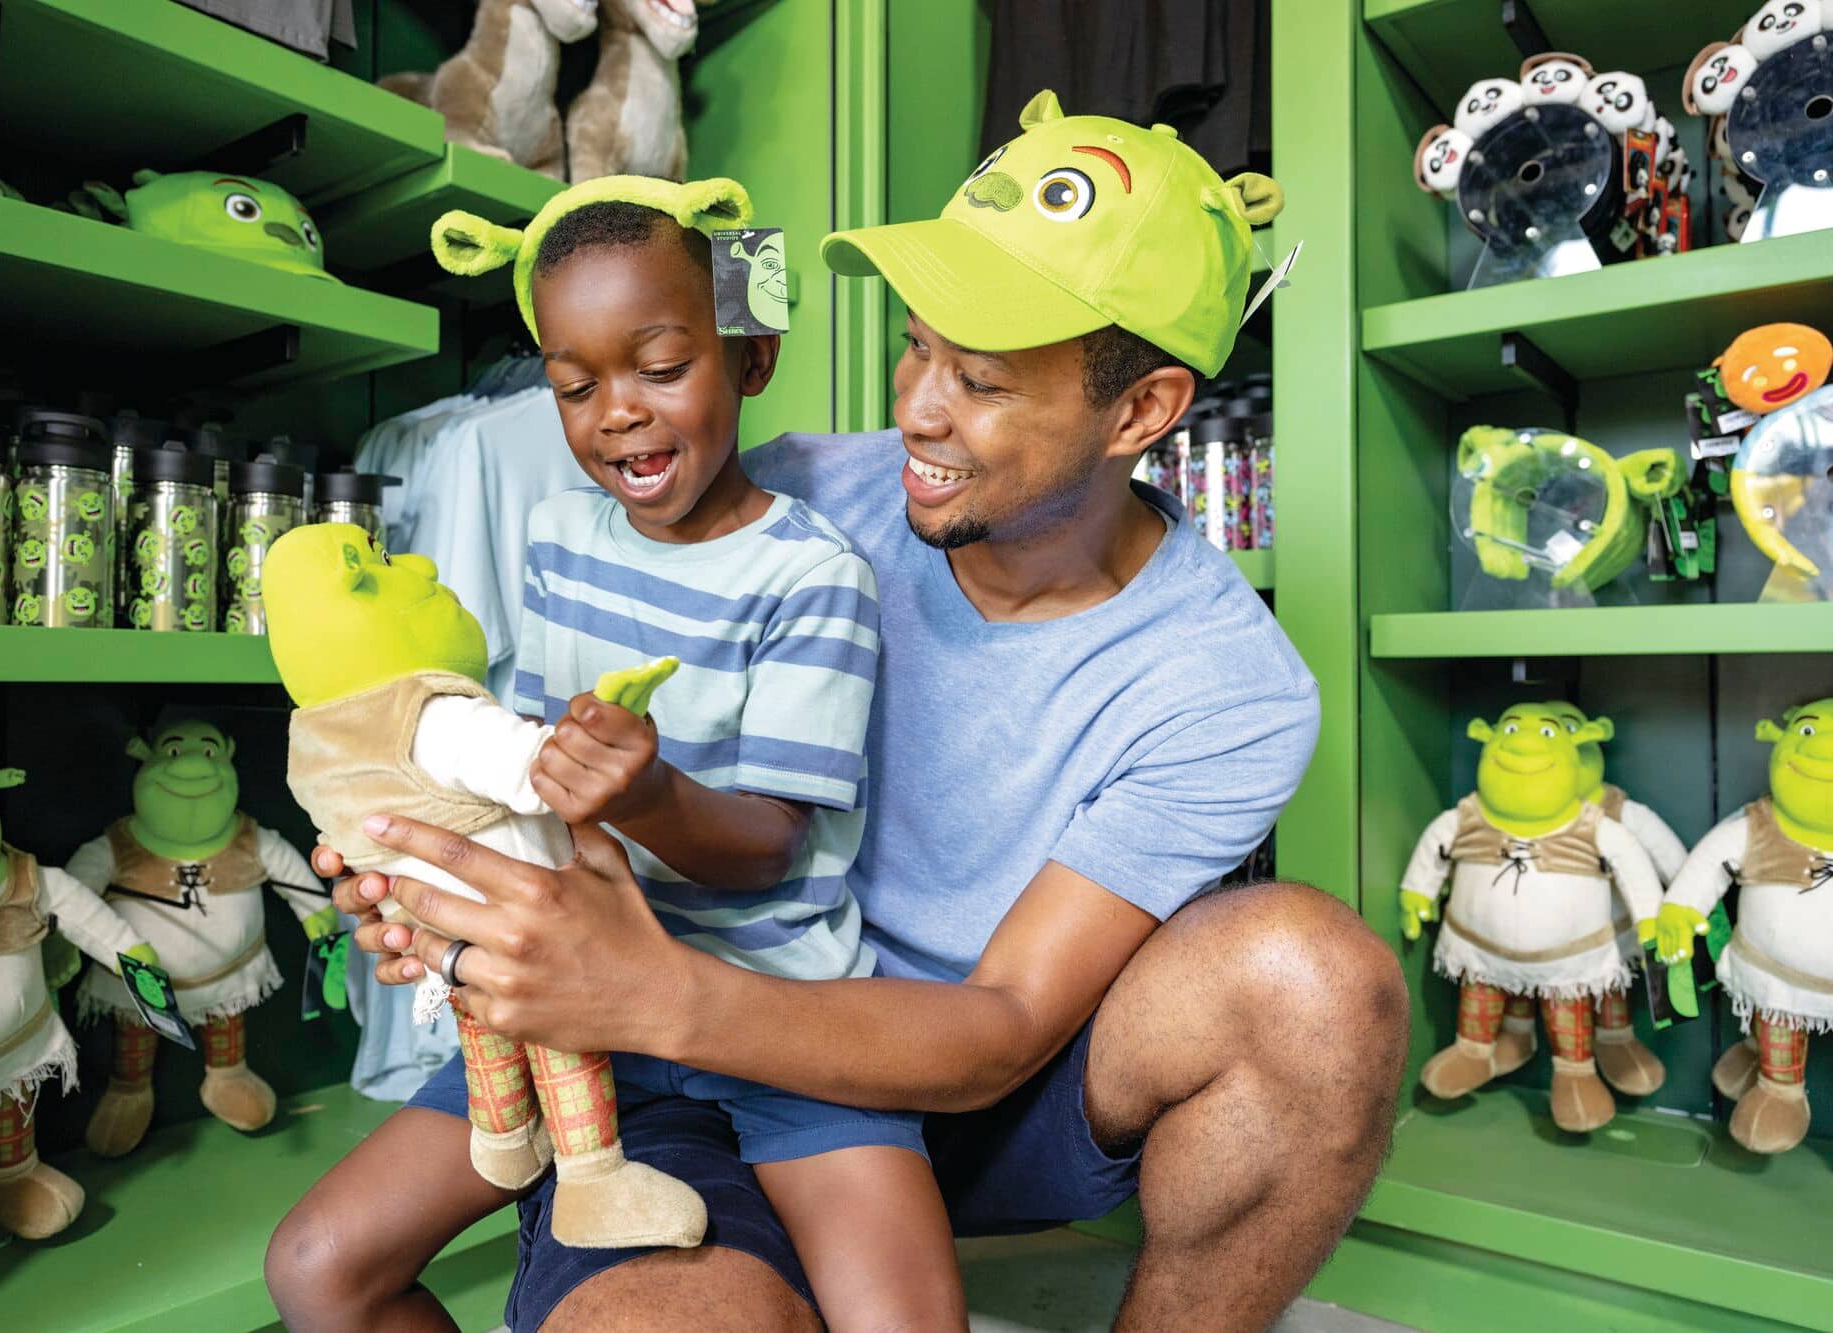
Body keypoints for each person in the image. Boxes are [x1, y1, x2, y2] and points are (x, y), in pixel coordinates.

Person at [266, 92, 1407, 1332]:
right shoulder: (773, 499)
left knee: (1316, 985)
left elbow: (1004, 1026)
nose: (915, 408)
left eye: (977, 380)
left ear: (1140, 412)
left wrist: (643, 987)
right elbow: (540, 782)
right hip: (683, 1057)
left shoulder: (1228, 683)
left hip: (975, 1083)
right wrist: (445, 885)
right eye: (917, 348)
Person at [271, 175, 965, 1331]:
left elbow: (767, 846)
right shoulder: (555, 539)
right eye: (575, 385)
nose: (617, 413)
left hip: (779, 1017)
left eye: (661, 367)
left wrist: (644, 793)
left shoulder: (812, 574)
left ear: (749, 356)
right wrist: (420, 874)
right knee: (316, 1266)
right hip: (579, 1009)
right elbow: (530, 791)